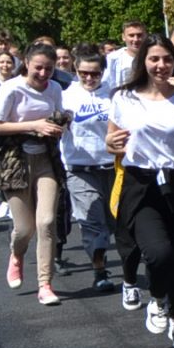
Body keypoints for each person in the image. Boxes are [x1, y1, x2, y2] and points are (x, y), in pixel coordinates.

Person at [107, 34, 174, 348]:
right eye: (154, 59)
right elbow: (112, 141)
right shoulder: (125, 97)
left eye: (167, 59)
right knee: (159, 253)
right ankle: (156, 298)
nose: (161, 65)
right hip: (141, 184)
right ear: (143, 62)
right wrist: (109, 143)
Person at [0, 43, 68, 306]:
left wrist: (60, 124)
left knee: (47, 222)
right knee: (24, 229)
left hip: (46, 158)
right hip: (16, 160)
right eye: (39, 68)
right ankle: (16, 254)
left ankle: (45, 284)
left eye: (49, 69)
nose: (44, 74)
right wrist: (33, 125)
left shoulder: (55, 88)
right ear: (26, 63)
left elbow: (57, 117)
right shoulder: (11, 88)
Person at [59, 45, 120, 292]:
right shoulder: (66, 96)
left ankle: (109, 260)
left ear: (102, 72)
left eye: (94, 73)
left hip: (112, 166)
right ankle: (99, 271)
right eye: (84, 73)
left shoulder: (113, 95)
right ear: (75, 70)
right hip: (79, 169)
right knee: (92, 221)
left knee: (112, 222)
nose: (89, 78)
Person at [102, 20, 150, 93]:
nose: (136, 39)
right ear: (123, 37)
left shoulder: (153, 57)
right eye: (131, 35)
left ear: (146, 36)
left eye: (139, 35)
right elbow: (106, 83)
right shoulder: (113, 58)